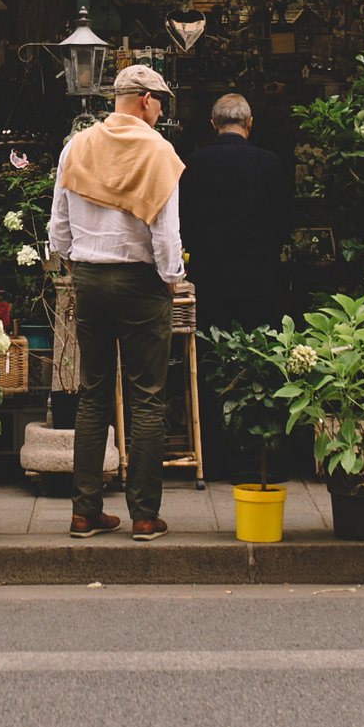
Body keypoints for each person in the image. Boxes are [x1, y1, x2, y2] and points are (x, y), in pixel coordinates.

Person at [47, 63, 184, 540]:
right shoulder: (159, 151)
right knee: (146, 399)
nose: (162, 109)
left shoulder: (76, 147)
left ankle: (84, 512)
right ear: (145, 99)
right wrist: (172, 280)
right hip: (141, 283)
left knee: (93, 397)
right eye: (161, 100)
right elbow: (167, 234)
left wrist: (76, 266)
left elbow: (57, 229)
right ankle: (144, 516)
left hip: (89, 279)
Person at [178, 92, 292, 474]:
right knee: (260, 363)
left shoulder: (193, 165)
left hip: (210, 281)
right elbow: (284, 225)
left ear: (213, 124)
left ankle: (213, 452)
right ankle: (258, 455)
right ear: (249, 123)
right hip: (260, 282)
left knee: (210, 365)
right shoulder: (270, 164)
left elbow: (184, 224)